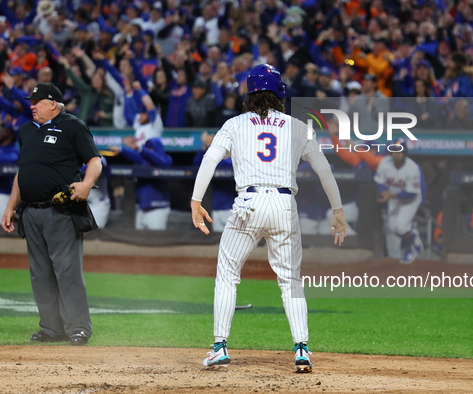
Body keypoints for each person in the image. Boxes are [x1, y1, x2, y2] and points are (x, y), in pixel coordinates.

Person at [190, 64, 347, 372]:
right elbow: (324, 169)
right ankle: (302, 350)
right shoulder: (298, 126)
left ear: (249, 93)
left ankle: (220, 345)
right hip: (284, 206)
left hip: (248, 203)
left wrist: (196, 200)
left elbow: (210, 158)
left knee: (228, 273)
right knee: (291, 281)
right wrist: (338, 211)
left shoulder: (235, 124)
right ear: (279, 94)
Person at [1, 82, 102, 346]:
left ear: (54, 104)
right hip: (31, 211)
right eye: (31, 101)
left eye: (37, 101)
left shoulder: (73, 126)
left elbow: (94, 160)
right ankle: (51, 327)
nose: (31, 106)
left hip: (61, 210)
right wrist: (11, 205)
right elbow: (24, 172)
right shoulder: (26, 131)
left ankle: (78, 328)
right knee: (40, 273)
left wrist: (87, 184)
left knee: (67, 271)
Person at [110, 82, 172, 230]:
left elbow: (150, 106)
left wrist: (139, 90)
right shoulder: (139, 125)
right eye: (141, 113)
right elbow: (129, 110)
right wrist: (129, 93)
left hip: (154, 152)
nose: (141, 115)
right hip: (143, 158)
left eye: (143, 113)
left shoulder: (155, 124)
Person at [374, 138, 424, 264]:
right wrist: (384, 192)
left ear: (404, 152)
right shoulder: (385, 163)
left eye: (399, 151)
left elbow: (411, 192)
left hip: (410, 200)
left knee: (401, 227)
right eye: (394, 151)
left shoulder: (412, 168)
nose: (396, 154)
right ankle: (412, 238)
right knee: (393, 228)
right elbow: (379, 182)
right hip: (394, 198)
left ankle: (412, 247)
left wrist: (391, 195)